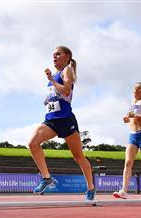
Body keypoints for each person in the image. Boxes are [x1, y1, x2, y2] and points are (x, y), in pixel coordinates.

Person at [28, 46, 96, 201]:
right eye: (53, 55)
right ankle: (46, 178)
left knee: (78, 157)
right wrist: (48, 98)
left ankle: (90, 188)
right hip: (51, 120)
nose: (54, 57)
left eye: (58, 54)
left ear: (67, 57)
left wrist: (52, 80)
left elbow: (66, 90)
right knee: (32, 144)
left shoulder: (67, 70)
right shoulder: (56, 75)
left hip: (66, 120)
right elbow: (57, 94)